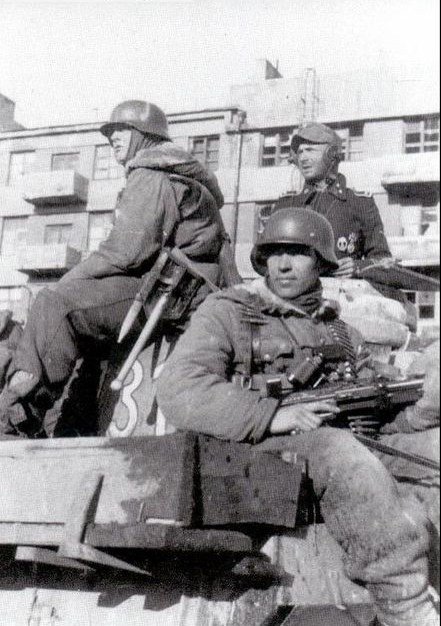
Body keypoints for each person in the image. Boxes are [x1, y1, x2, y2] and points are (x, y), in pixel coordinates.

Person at [157, 208, 439, 626]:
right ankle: (406, 609)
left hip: (344, 441)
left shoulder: (339, 330)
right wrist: (273, 414)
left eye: (298, 253)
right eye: (274, 253)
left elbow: (373, 412)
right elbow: (179, 388)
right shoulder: (230, 312)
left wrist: (410, 402)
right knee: (338, 451)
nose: (283, 264)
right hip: (257, 449)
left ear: (321, 261)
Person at [0, 99, 237, 438]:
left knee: (55, 305)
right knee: (86, 321)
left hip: (169, 296)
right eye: (110, 131)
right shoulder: (176, 172)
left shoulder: (152, 174)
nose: (113, 137)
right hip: (180, 294)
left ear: (146, 134)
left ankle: (14, 421)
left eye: (122, 129)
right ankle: (75, 427)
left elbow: (125, 252)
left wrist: (66, 283)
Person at [274, 122, 409, 305]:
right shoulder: (286, 205)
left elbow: (384, 261)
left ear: (331, 154)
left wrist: (357, 267)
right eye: (300, 152)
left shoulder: (359, 203)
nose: (303, 158)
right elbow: (263, 258)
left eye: (310, 150)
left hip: (342, 301)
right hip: (293, 300)